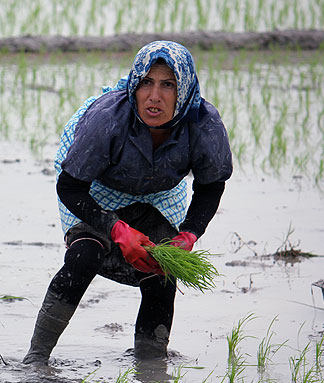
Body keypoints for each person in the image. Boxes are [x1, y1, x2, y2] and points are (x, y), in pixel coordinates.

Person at [22, 41, 233, 363]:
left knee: (164, 267)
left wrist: (189, 234)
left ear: (184, 89)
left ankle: (150, 367)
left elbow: (211, 186)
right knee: (84, 255)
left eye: (168, 85)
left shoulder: (203, 123)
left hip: (159, 193)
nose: (154, 96)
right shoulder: (108, 118)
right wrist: (117, 230)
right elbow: (71, 186)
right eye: (146, 82)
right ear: (134, 85)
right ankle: (36, 358)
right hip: (92, 186)